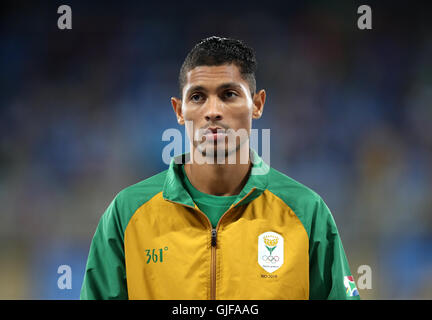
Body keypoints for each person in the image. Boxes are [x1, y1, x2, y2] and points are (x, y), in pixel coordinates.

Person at [80, 36, 360, 300]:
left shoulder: (307, 212)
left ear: (257, 104)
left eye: (228, 94)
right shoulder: (126, 214)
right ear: (179, 111)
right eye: (198, 97)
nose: (213, 110)